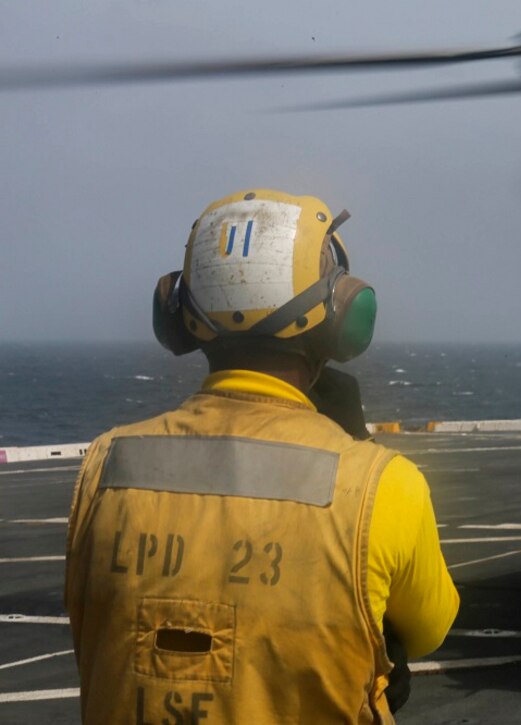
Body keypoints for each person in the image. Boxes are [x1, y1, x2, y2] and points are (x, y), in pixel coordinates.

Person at [64, 189, 459, 723]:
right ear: (341, 315)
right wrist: (354, 446)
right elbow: (430, 628)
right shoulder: (383, 486)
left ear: (179, 314)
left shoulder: (104, 468)